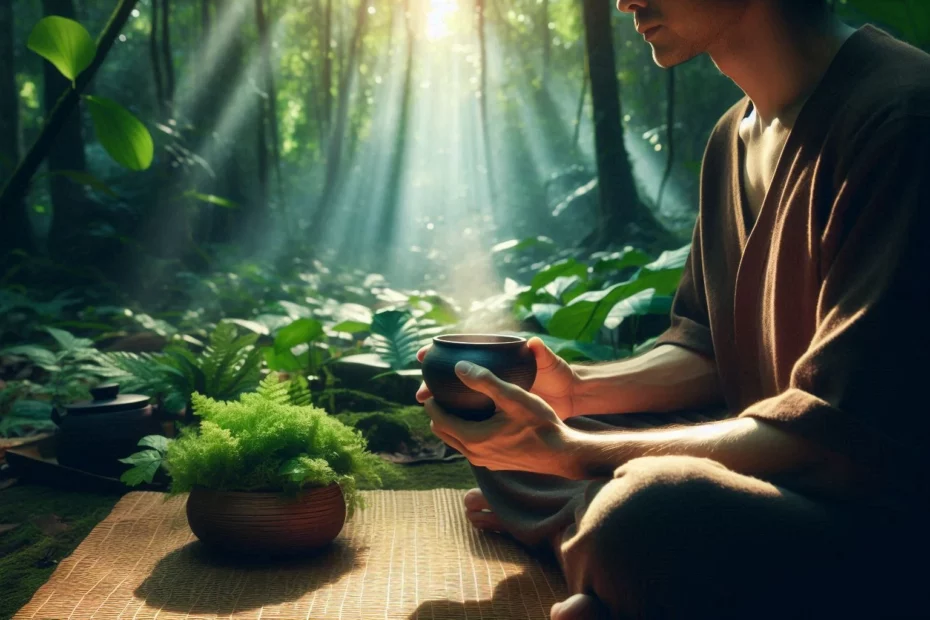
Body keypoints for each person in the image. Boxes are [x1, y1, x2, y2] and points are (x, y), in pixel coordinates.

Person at [417, 0, 930, 618]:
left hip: (872, 516)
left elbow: (839, 440)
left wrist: (571, 453)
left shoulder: (903, 117)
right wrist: (573, 394)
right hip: (769, 464)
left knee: (651, 509)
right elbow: (708, 349)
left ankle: (600, 545)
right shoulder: (730, 137)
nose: (623, 2)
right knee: (512, 442)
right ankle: (606, 554)